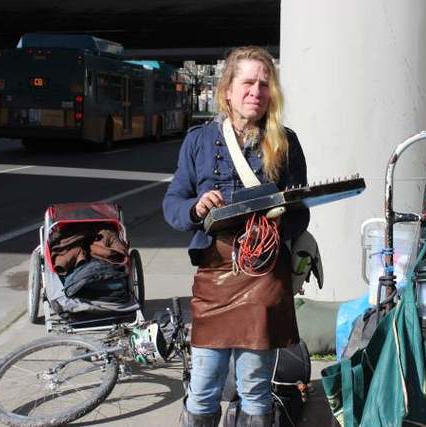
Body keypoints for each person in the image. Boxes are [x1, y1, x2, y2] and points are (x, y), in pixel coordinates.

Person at [163, 46, 310, 427]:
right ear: (227, 90)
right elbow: (173, 203)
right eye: (247, 82)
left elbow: (300, 212)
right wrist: (197, 207)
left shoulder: (286, 142)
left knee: (255, 386)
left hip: (263, 277)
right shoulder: (198, 141)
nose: (256, 92)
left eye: (264, 84)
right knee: (205, 383)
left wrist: (273, 229)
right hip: (214, 274)